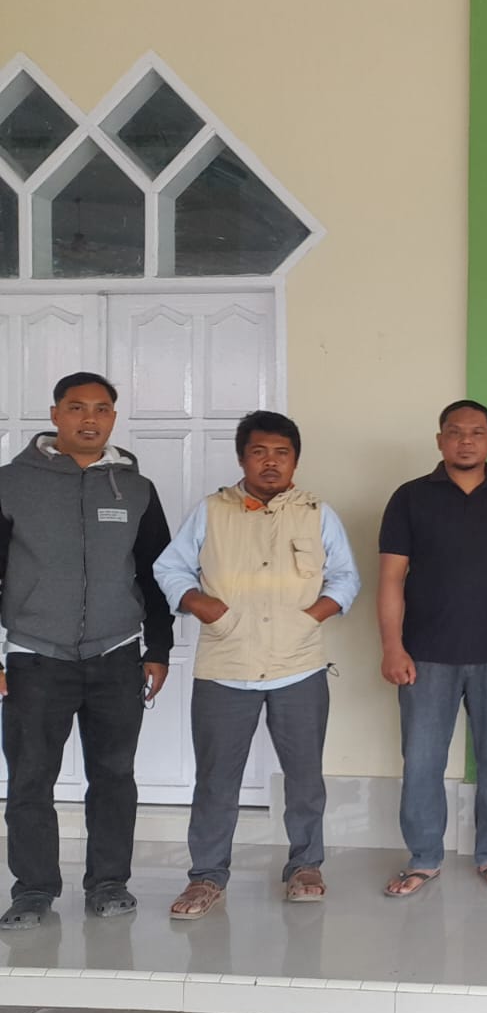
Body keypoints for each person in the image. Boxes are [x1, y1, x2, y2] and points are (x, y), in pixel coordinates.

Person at [155, 411, 360, 918]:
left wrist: (310, 618)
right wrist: (204, 606)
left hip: (299, 665)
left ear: (295, 460)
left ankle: (305, 866)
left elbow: (345, 578)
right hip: (225, 665)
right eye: (259, 452)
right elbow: (169, 566)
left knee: (305, 777)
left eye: (281, 453)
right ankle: (206, 876)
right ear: (242, 458)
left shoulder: (316, 512)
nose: (271, 462)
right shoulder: (211, 510)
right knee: (216, 780)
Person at [0, 372, 174, 929]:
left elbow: (155, 572)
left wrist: (159, 646)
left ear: (113, 419)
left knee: (114, 775)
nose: (90, 419)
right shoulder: (11, 484)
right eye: (77, 408)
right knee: (30, 778)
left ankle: (108, 882)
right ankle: (33, 890)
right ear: (55, 415)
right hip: (35, 656)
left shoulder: (136, 488)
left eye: (101, 409)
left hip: (116, 654)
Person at [377, 400, 487, 897]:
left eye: (477, 432)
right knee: (422, 762)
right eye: (455, 432)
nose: (466, 441)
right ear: (440, 439)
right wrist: (392, 646)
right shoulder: (410, 497)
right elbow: (391, 579)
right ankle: (424, 857)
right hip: (425, 655)